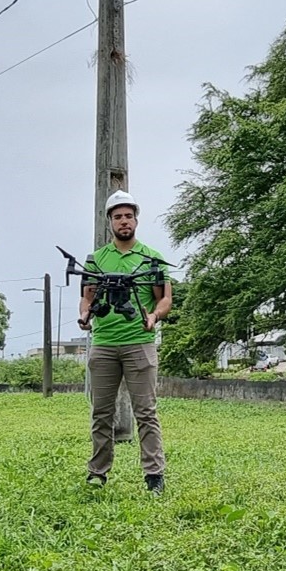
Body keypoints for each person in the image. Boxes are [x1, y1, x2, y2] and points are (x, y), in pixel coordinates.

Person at [79, 190, 172, 493]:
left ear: (136, 220)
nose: (123, 221)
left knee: (145, 411)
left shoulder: (152, 258)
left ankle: (154, 475)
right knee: (101, 412)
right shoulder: (96, 258)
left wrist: (154, 317)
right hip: (104, 343)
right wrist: (85, 316)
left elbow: (165, 300)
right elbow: (87, 297)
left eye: (128, 215)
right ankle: (98, 472)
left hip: (138, 342)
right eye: (117, 216)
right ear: (110, 222)